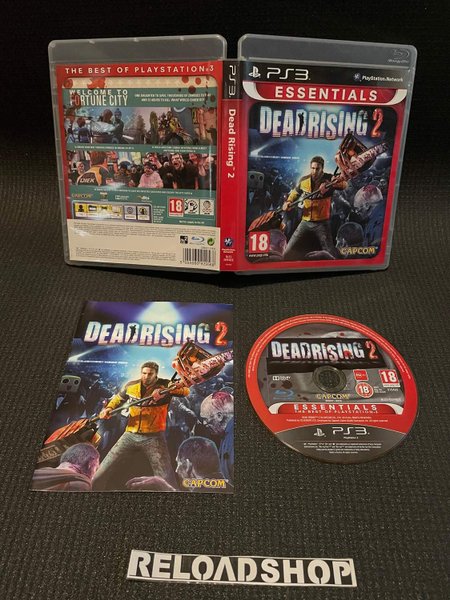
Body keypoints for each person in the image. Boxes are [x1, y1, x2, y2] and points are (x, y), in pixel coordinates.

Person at [92, 361, 189, 490]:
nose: (146, 376)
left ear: (156, 374)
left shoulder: (166, 385)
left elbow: (185, 391)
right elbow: (117, 399)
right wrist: (108, 408)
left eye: (150, 374)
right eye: (144, 373)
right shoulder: (131, 385)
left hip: (154, 437)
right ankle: (92, 491)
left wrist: (165, 391)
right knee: (101, 471)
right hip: (130, 434)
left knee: (166, 479)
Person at [283, 156, 347, 260]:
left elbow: (344, 185)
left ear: (322, 168)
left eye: (317, 169)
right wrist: (288, 202)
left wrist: (331, 184)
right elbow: (295, 192)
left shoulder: (330, 178)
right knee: (287, 252)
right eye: (313, 168)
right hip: (305, 221)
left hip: (322, 223)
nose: (314, 171)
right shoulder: (304, 180)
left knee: (331, 254)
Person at [126, 436, 231, 492]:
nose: (176, 470)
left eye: (179, 463)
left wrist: (163, 487)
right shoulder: (228, 486)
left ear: (188, 465)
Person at [31, 443, 100, 492]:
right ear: (90, 464)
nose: (93, 476)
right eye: (96, 468)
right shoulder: (81, 484)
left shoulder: (39, 471)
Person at [200, 391, 234, 484]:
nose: (204, 423)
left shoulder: (232, 439)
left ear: (219, 416)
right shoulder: (225, 435)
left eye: (205, 418)